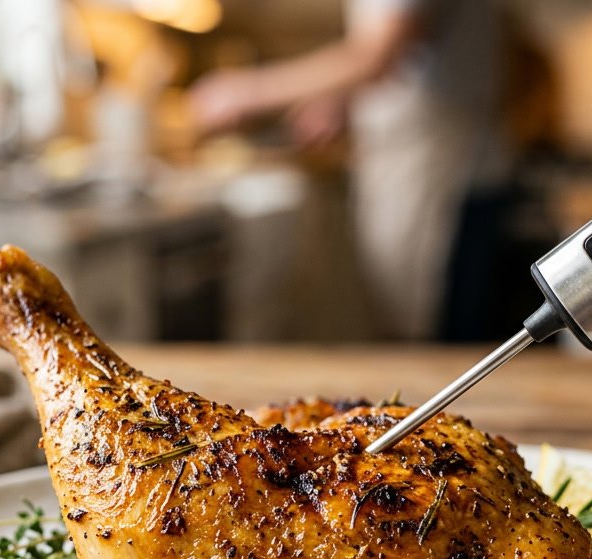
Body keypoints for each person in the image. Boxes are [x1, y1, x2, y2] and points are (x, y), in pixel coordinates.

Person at [189, 0, 510, 341]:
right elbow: (413, 51)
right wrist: (341, 99)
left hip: (444, 174)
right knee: (411, 324)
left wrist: (246, 91)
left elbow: (378, 53)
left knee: (435, 339)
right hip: (425, 161)